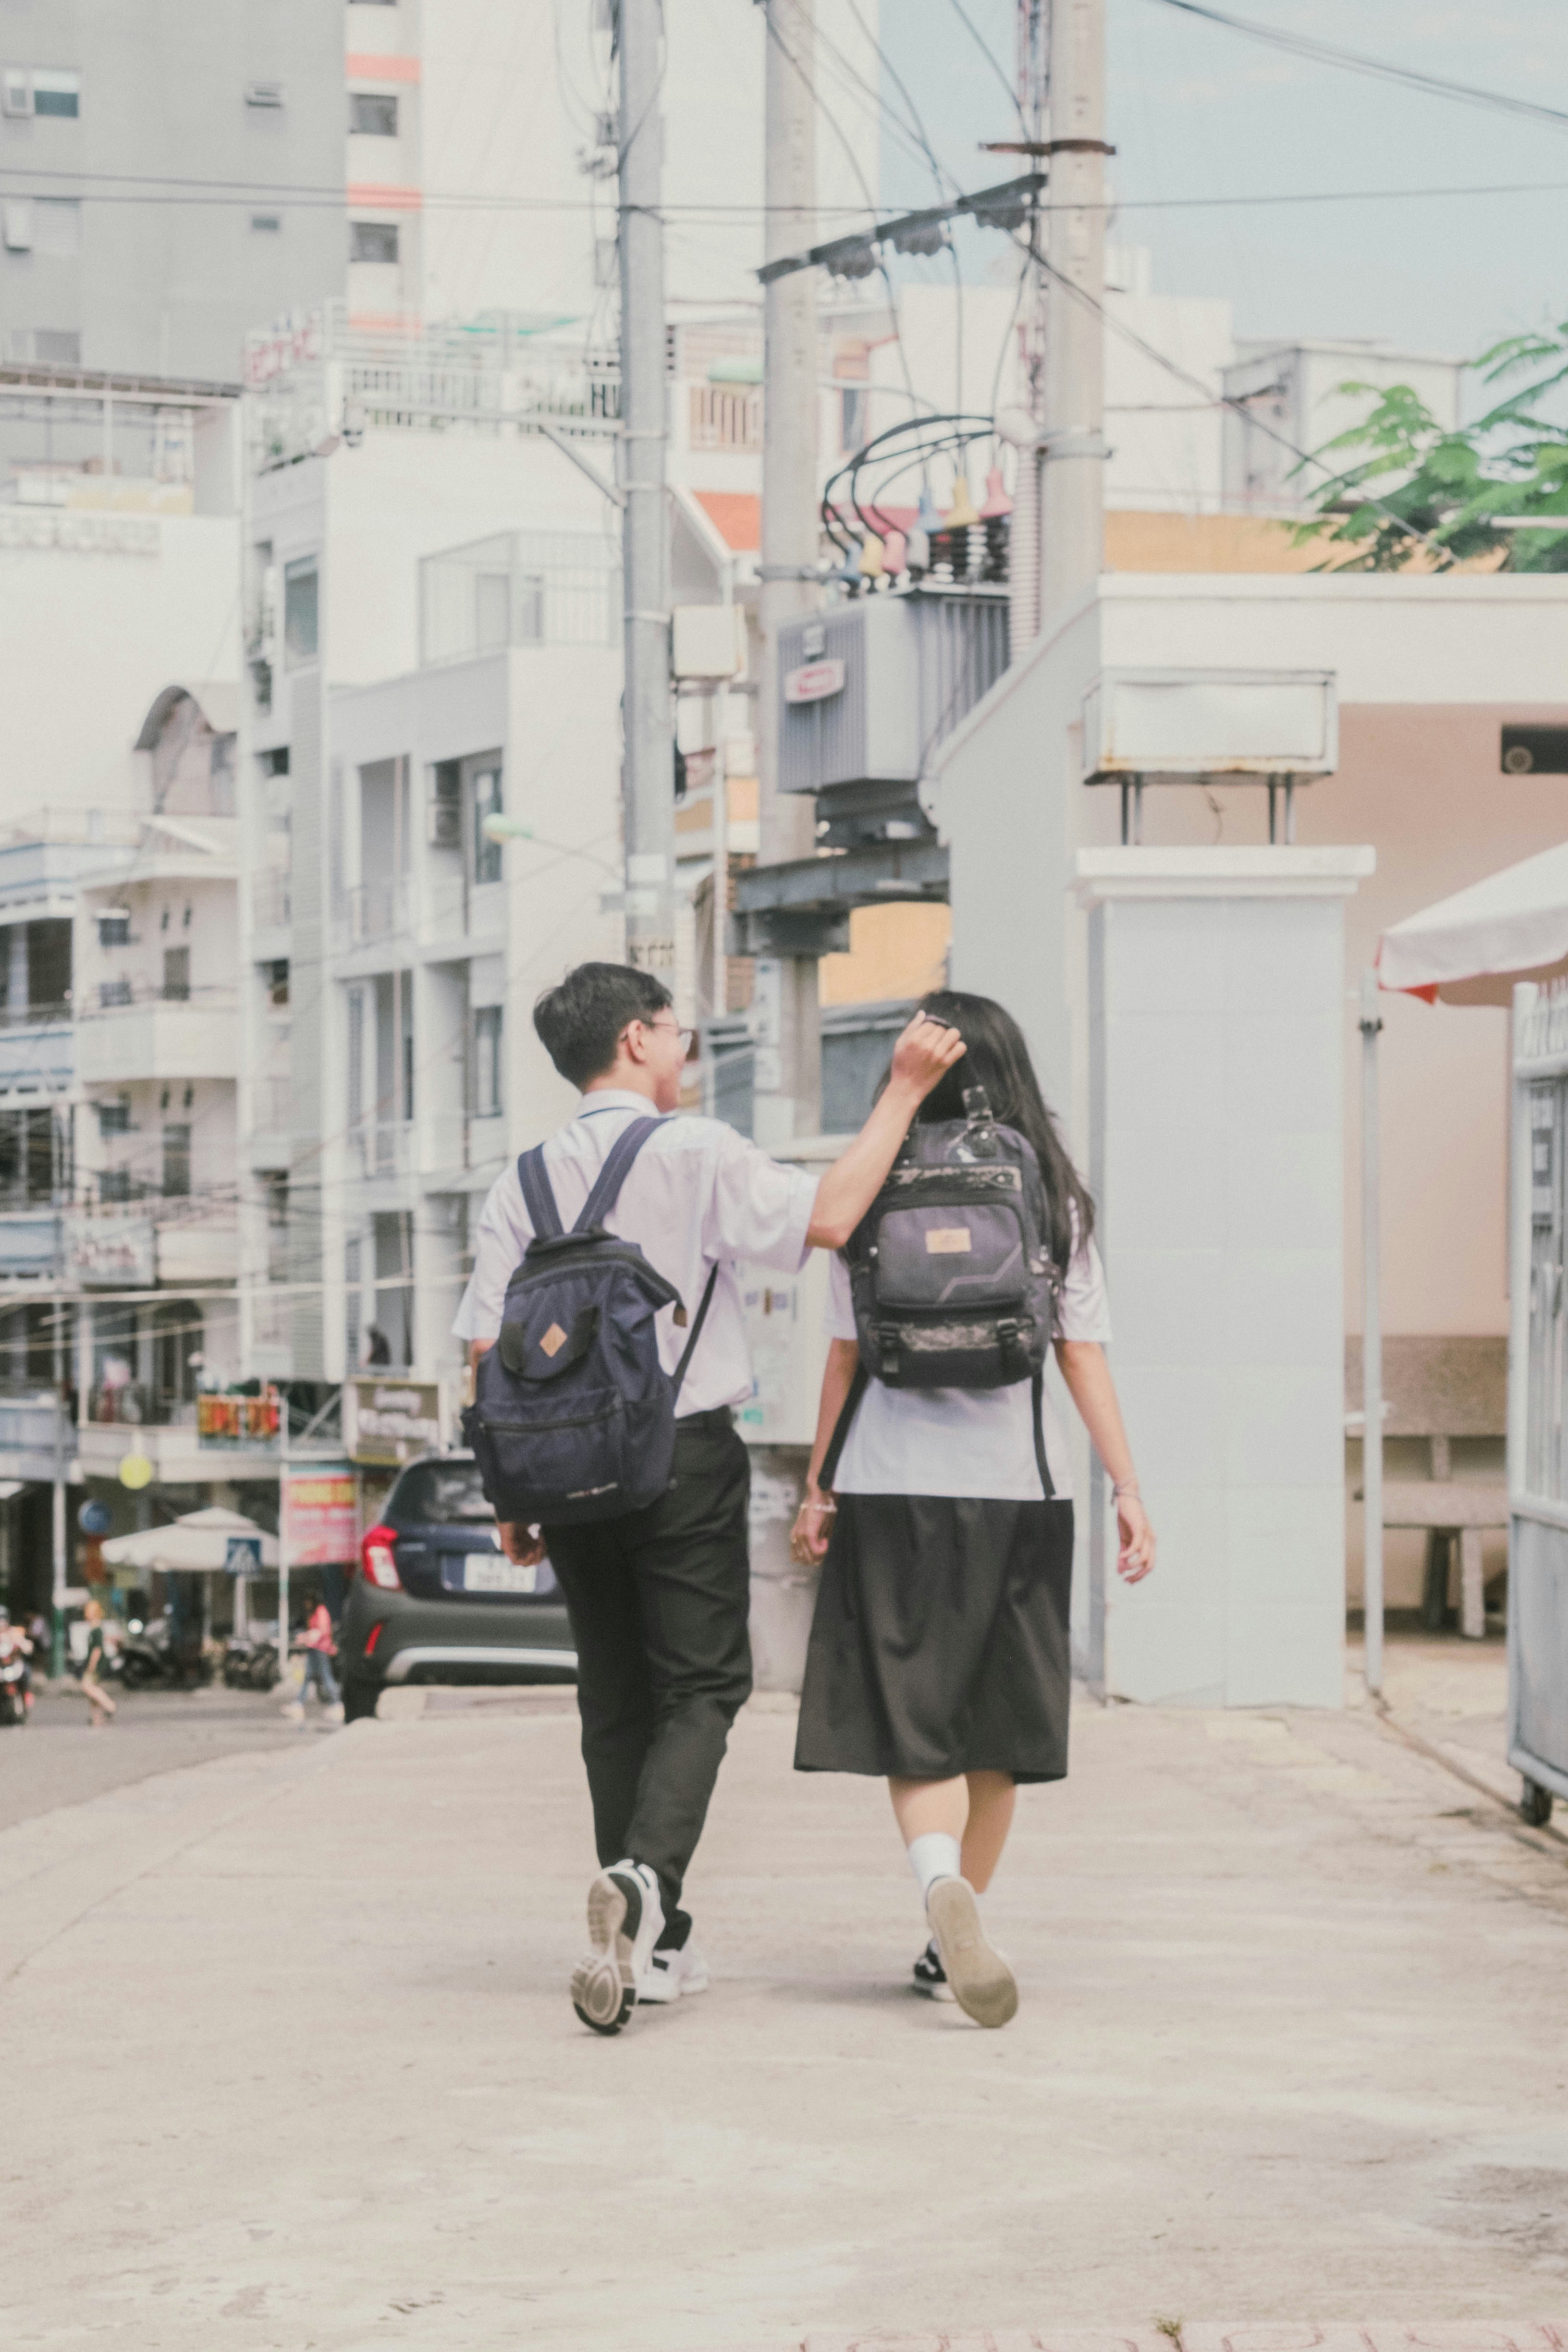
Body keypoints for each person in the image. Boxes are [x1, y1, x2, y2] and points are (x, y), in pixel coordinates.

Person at [456, 960, 964, 2035]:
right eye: (680, 1033)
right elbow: (828, 1216)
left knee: (614, 1695)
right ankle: (642, 1884)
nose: (688, 1051)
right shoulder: (692, 1152)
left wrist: (508, 1490)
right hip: (680, 1453)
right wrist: (904, 1094)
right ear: (638, 1041)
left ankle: (654, 1945)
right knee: (704, 1686)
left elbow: (484, 1342)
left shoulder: (526, 1179)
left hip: (560, 1467)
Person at [791, 989, 1156, 2029]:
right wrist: (1129, 1489)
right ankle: (956, 1921)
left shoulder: (873, 1190)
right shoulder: (1052, 1198)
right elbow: (1082, 1355)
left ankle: (938, 1880)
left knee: (921, 1725)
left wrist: (819, 1485)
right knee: (997, 1728)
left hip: (890, 1485)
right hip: (1020, 1490)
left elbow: (846, 1355)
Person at [282, 1599, 342, 1722]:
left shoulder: (321, 1611)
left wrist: (308, 1636)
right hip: (313, 1649)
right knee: (307, 1677)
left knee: (326, 1677)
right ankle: (298, 1704)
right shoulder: (314, 1612)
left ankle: (337, 1704)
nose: (307, 1604)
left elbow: (323, 1630)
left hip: (321, 1649)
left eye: (309, 1601)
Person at [68, 1597, 118, 1729]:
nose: (86, 1614)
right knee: (90, 1691)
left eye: (89, 1611)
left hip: (96, 1663)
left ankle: (109, 1705)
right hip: (93, 1661)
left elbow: (97, 1649)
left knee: (87, 1686)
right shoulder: (94, 1628)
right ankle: (97, 1717)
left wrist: (92, 1665)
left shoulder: (97, 1629)